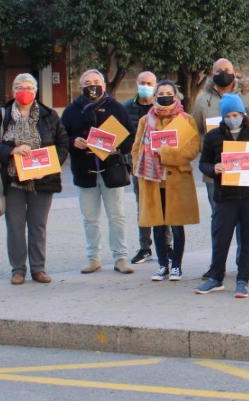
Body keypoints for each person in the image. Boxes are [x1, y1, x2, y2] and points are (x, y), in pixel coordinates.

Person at [0, 73, 70, 285]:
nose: (25, 91)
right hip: (12, 181)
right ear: (13, 91)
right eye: (20, 87)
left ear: (36, 91)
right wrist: (11, 150)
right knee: (15, 226)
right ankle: (18, 270)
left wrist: (48, 167)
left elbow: (62, 144)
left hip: (42, 180)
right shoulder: (1, 115)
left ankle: (38, 269)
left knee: (38, 226)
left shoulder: (49, 115)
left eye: (29, 87)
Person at [196, 94, 249, 297]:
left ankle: (242, 279)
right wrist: (214, 168)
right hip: (225, 195)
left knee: (248, 239)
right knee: (221, 238)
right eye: (228, 115)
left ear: (243, 114)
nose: (232, 118)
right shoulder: (213, 136)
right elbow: (203, 163)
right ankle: (216, 277)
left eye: (236, 114)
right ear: (223, 116)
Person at [62, 69, 134, 276]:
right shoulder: (71, 111)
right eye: (87, 82)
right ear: (80, 86)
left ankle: (121, 257)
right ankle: (93, 258)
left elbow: (130, 138)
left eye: (96, 81)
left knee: (117, 216)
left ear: (103, 85)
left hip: (112, 170)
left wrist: (117, 148)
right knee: (90, 218)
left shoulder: (117, 109)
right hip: (85, 172)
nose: (92, 85)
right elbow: (61, 138)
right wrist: (72, 141)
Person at [131, 80, 200, 282]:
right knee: (158, 225)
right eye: (161, 93)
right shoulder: (146, 121)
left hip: (177, 180)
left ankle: (177, 265)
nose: (165, 96)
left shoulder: (186, 119)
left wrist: (166, 154)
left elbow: (193, 148)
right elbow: (136, 148)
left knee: (177, 226)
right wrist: (139, 168)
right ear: (155, 96)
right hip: (152, 180)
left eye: (169, 92)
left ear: (175, 95)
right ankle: (163, 265)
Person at [192, 58, 249, 252]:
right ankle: (217, 262)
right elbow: (196, 129)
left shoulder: (248, 96)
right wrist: (206, 152)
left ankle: (242, 261)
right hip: (215, 171)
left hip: (242, 168)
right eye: (219, 70)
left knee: (242, 217)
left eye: (227, 69)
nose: (223, 73)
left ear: (234, 72)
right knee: (218, 216)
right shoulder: (202, 98)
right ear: (212, 73)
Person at [125, 70, 158, 264]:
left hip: (160, 164)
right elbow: (124, 137)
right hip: (138, 165)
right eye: (142, 82)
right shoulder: (127, 107)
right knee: (143, 206)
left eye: (149, 83)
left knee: (164, 205)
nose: (145, 86)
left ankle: (167, 245)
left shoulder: (161, 106)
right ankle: (145, 247)